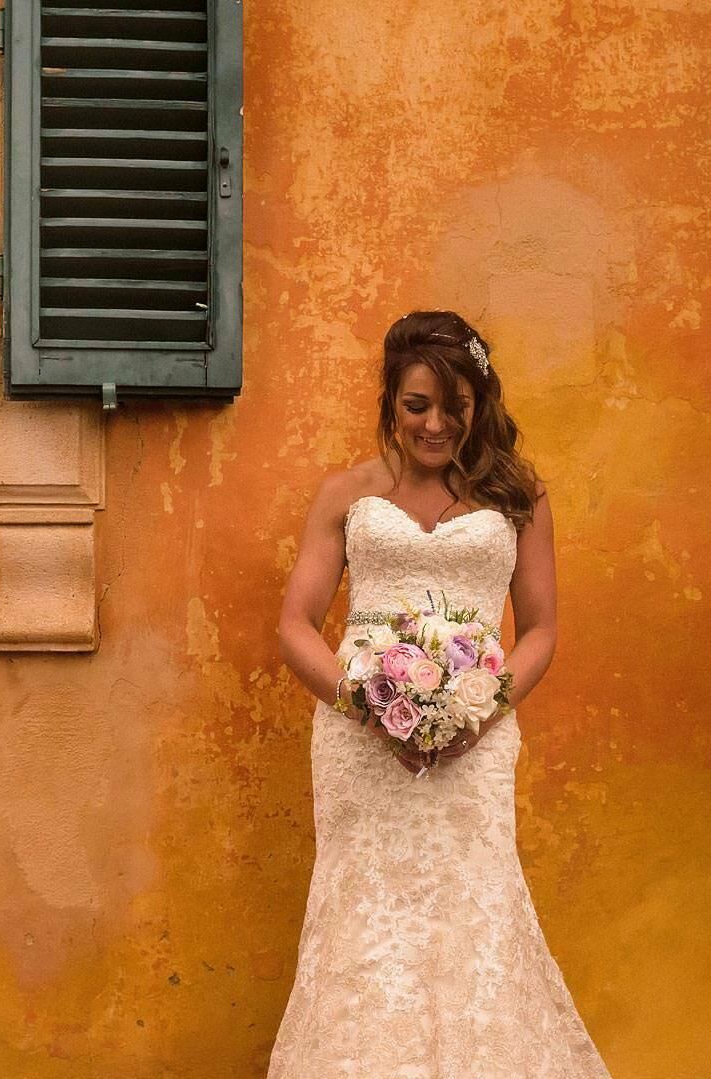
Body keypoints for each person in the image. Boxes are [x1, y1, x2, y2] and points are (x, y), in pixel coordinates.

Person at [266, 310, 612, 1078]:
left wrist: (478, 713)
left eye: (453, 406)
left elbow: (541, 630)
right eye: (416, 405)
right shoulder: (346, 493)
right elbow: (295, 625)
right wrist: (366, 708)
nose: (435, 424)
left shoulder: (519, 496)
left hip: (476, 739)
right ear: (390, 400)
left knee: (475, 909)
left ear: (479, 402)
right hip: (358, 742)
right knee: (363, 919)